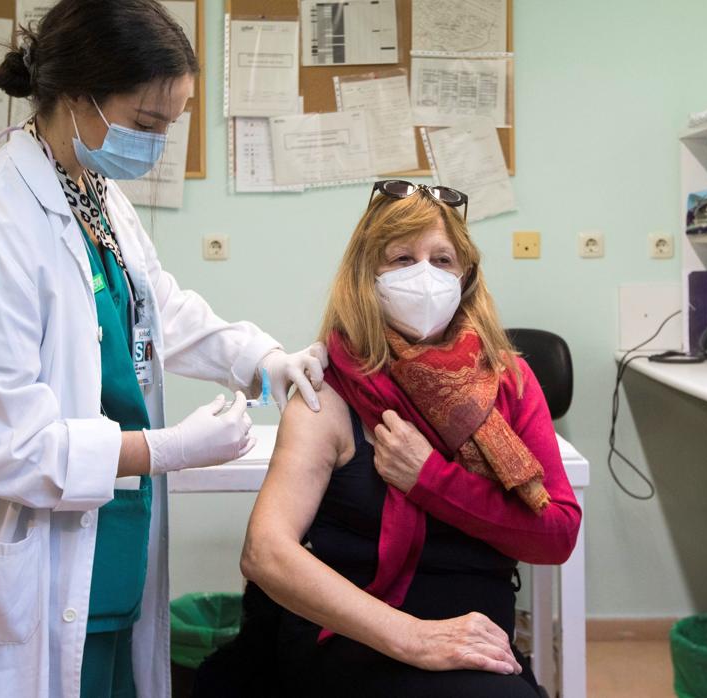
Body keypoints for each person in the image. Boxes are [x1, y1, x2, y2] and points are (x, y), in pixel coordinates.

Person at [0, 1, 325, 696]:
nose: (158, 143)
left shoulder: (92, 192)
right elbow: (9, 447)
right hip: (29, 556)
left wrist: (260, 358)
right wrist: (167, 450)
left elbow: (155, 308)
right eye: (145, 123)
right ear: (77, 96)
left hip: (111, 539)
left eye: (171, 124)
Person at [226, 180, 583, 697]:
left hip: (475, 637)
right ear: (366, 276)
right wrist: (413, 638)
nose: (425, 276)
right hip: (354, 635)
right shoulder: (330, 392)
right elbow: (265, 552)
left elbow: (556, 535)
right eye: (401, 259)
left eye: (442, 260)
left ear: (466, 276)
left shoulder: (510, 384)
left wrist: (430, 481)